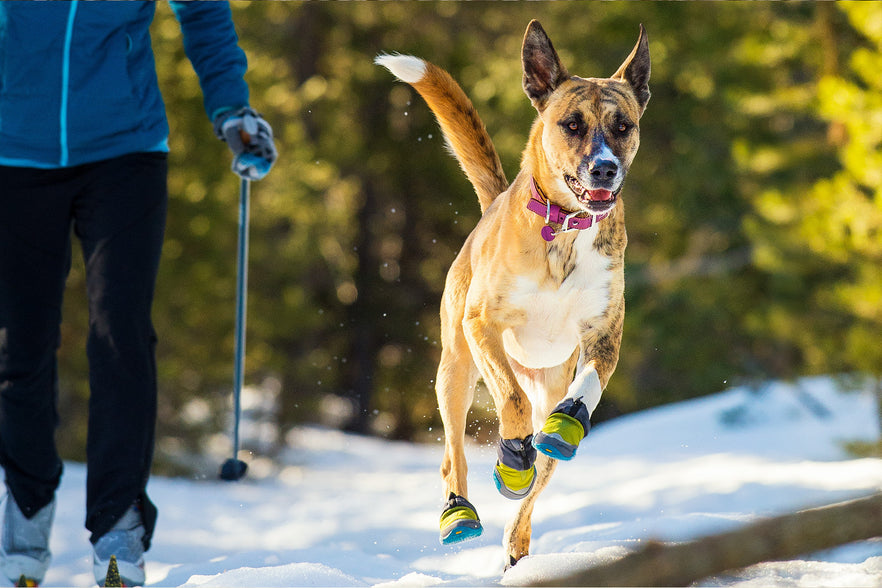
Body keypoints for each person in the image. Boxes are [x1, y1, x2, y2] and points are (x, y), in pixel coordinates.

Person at [0, 1, 276, 586]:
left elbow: (202, 11)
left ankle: (117, 524)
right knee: (18, 345)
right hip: (12, 151)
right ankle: (26, 510)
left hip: (125, 152)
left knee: (119, 333)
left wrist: (231, 108)